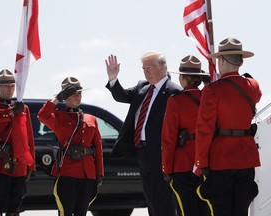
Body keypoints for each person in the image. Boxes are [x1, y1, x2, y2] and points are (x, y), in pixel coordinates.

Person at [105, 52, 181, 216]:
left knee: (164, 200)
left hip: (162, 154)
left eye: (150, 67)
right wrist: (113, 78)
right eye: (143, 68)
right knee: (151, 198)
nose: (146, 71)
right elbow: (121, 96)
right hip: (143, 152)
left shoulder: (174, 92)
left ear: (163, 68)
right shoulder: (142, 87)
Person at [195, 37, 262, 216]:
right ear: (240, 61)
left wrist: (201, 162)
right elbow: (257, 95)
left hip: (221, 159)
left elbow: (204, 130)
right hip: (246, 157)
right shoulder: (252, 86)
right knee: (241, 211)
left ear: (221, 60)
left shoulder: (212, 90)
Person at [37, 77, 104, 216]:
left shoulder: (90, 119)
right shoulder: (58, 117)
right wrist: (57, 99)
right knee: (65, 211)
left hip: (88, 173)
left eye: (79, 93)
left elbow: (98, 148)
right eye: (73, 94)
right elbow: (42, 116)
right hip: (67, 172)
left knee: (82, 212)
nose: (77, 96)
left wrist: (99, 173)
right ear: (65, 97)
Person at [161, 55, 209, 216]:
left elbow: (168, 139)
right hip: (208, 164)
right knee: (207, 210)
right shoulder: (209, 98)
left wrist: (167, 169)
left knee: (186, 211)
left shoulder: (175, 101)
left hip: (183, 165)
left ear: (181, 78)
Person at [0, 69, 35, 216]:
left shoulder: (23, 108)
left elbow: (29, 138)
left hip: (19, 164)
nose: (9, 88)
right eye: (6, 86)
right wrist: (11, 112)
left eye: (12, 85)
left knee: (15, 208)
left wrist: (31, 164)